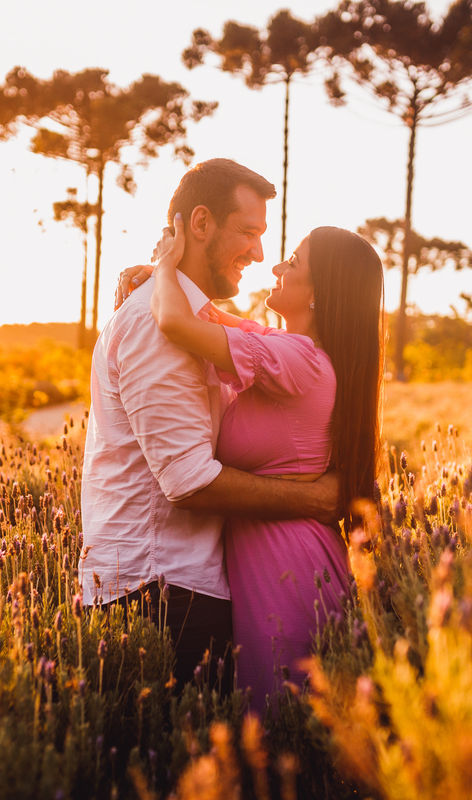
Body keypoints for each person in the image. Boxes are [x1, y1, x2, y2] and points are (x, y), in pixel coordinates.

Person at [78, 158, 340, 694]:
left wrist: (161, 273)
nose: (260, 253)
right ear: (200, 224)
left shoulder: (187, 319)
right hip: (158, 590)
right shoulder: (159, 325)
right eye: (248, 232)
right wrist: (315, 500)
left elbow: (249, 340)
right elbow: (188, 481)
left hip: (179, 586)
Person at [131, 217, 385, 711]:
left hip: (285, 566)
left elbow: (177, 324)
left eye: (292, 262)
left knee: (285, 726)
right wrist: (154, 275)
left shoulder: (298, 359)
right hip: (285, 555)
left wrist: (165, 263)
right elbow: (209, 316)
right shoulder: (293, 352)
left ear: (319, 290)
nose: (276, 265)